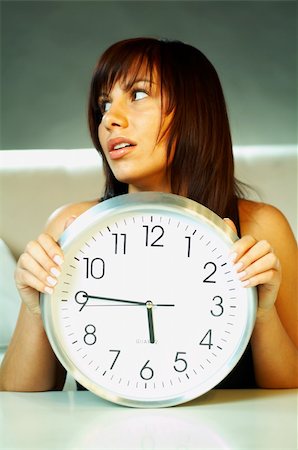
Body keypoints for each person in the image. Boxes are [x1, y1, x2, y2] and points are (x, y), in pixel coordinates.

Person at [0, 37, 297, 392]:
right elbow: (19, 400)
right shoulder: (73, 227)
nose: (110, 118)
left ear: (194, 109)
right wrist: (37, 309)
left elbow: (291, 392)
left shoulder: (262, 227)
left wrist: (262, 314)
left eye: (138, 95)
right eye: (104, 104)